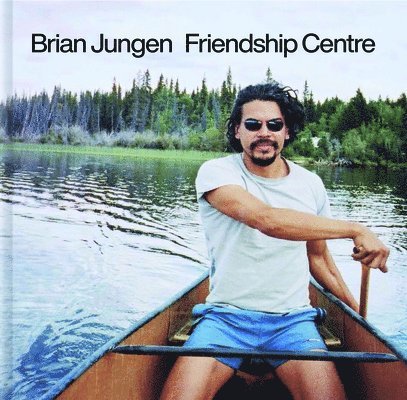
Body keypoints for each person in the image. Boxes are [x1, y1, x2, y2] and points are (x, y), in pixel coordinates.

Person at [160, 83, 389, 400]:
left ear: (287, 131)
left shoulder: (310, 184)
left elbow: (319, 259)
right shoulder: (216, 172)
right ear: (237, 130)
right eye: (253, 124)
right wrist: (355, 229)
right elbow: (265, 219)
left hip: (292, 322)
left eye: (275, 124)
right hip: (225, 319)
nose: (264, 133)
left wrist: (357, 318)